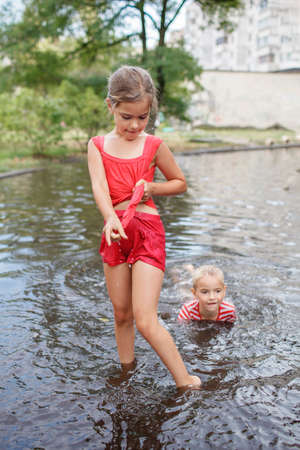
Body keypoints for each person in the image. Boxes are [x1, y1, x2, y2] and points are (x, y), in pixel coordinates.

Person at [87, 65, 200, 388]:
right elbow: (98, 186)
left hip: (148, 233)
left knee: (145, 319)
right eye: (126, 117)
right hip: (115, 233)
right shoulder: (97, 145)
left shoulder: (153, 145)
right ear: (111, 106)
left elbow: (179, 183)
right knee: (121, 314)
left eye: (143, 117)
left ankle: (185, 381)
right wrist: (109, 217)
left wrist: (152, 188)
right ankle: (127, 372)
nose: (135, 125)